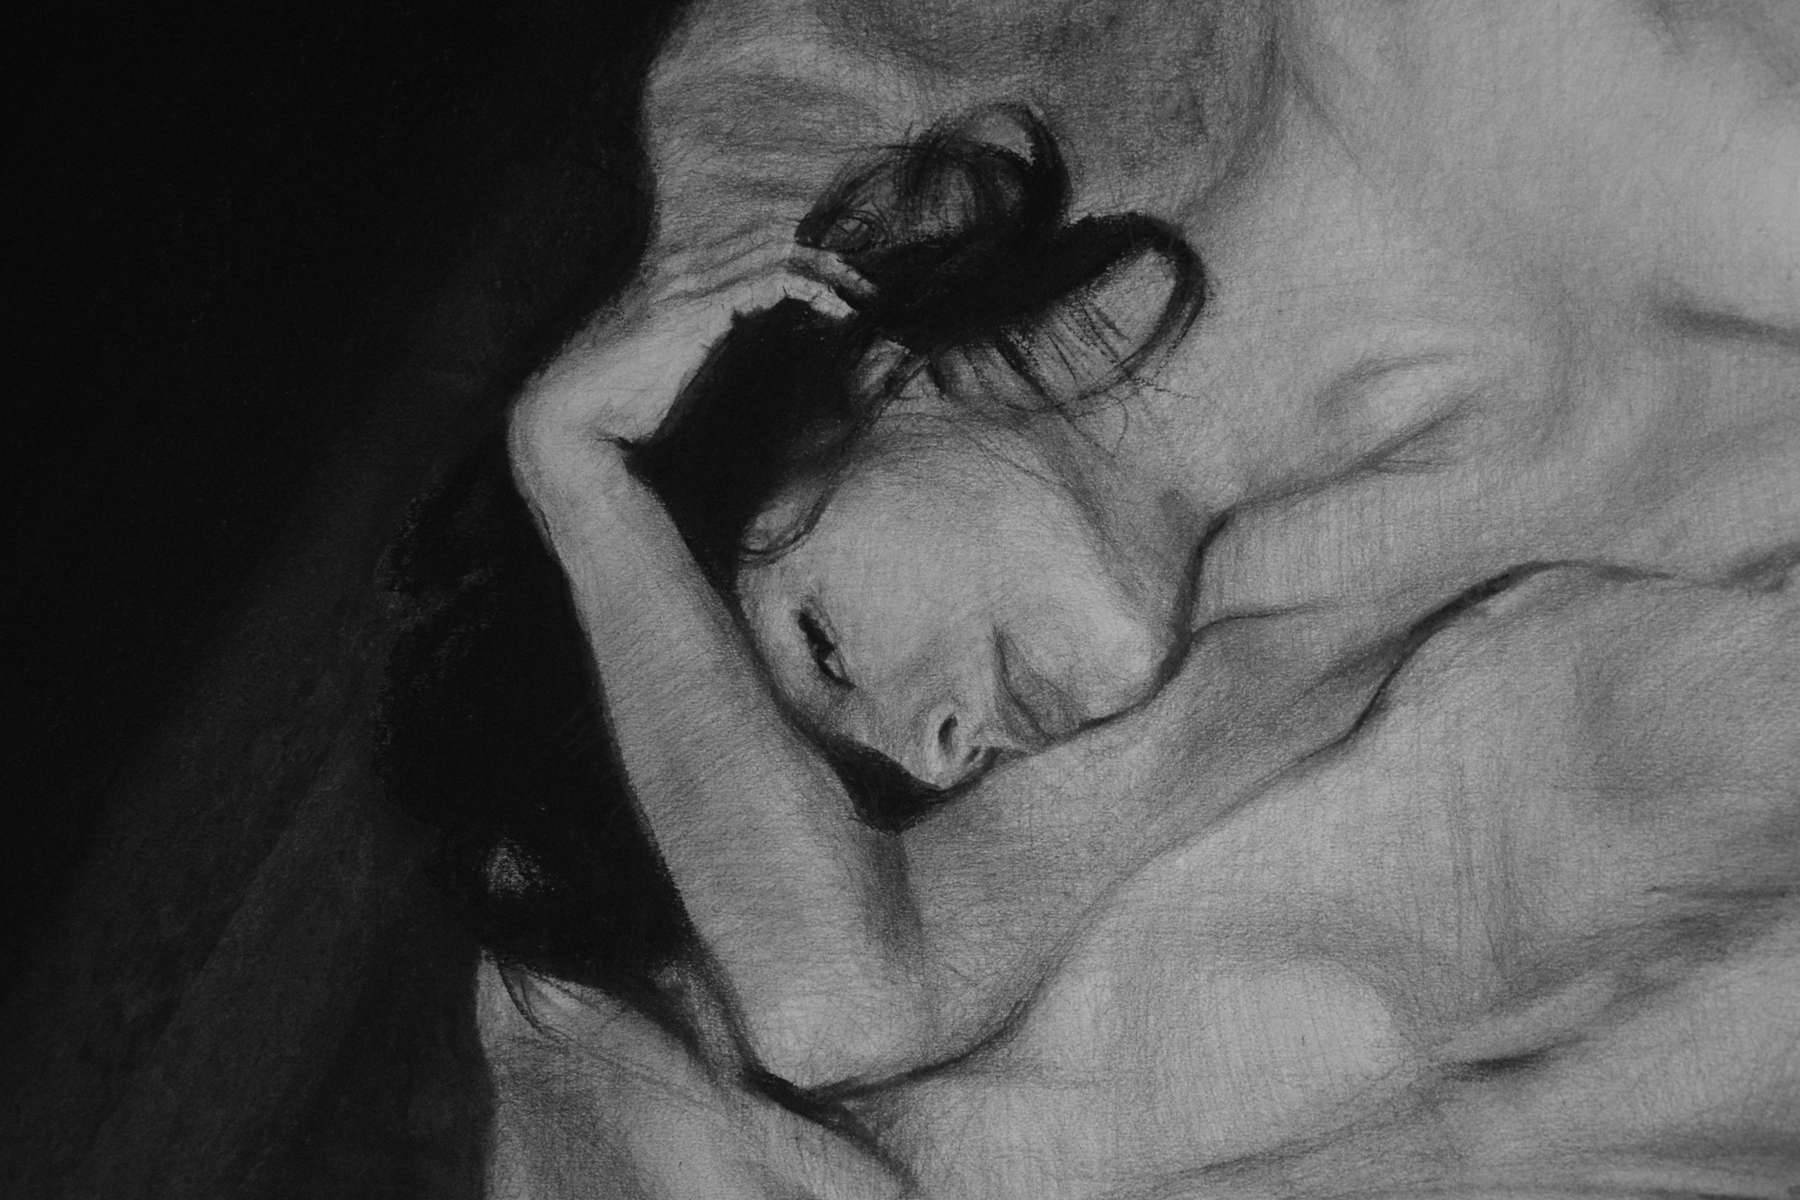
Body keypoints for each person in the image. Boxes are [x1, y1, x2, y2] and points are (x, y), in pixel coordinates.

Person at [394, 0, 1800, 1195]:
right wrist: (575, 479)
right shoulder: (1295, 617)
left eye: (824, 652)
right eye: (887, 790)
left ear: (856, 389)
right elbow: (838, 1004)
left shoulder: (1409, 54)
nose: (941, 748)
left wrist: (582, 464)